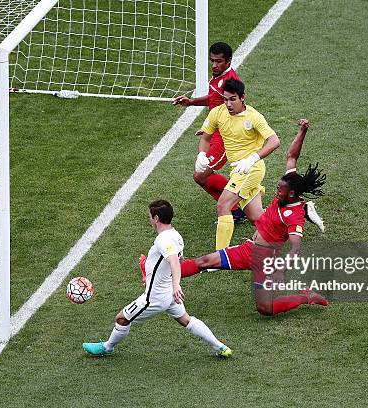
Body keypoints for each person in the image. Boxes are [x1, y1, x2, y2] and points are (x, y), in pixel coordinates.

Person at [173, 119, 329, 316]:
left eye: (280, 190)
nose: (276, 191)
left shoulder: (294, 215)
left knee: (265, 309)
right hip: (249, 248)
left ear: (291, 194)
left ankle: (306, 297)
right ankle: (156, 273)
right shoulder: (291, 184)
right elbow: (291, 156)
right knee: (205, 261)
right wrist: (302, 132)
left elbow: (296, 247)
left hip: (265, 260)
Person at [83, 200, 232, 358]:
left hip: (155, 298)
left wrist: (176, 285)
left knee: (121, 319)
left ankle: (107, 348)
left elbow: (174, 261)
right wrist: (150, 274)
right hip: (167, 293)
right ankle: (220, 347)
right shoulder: (176, 236)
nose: (149, 220)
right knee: (186, 320)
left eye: (149, 216)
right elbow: (177, 262)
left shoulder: (163, 240)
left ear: (156, 218)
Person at [197, 78, 281, 250]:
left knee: (223, 205)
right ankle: (299, 211)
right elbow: (205, 137)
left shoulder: (254, 117)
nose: (228, 103)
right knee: (257, 218)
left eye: (232, 99)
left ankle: (220, 256)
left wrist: (252, 159)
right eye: (225, 99)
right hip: (236, 170)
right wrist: (201, 154)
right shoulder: (217, 113)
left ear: (243, 97)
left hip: (251, 169)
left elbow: (274, 141)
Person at [173, 42, 246, 223]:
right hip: (215, 132)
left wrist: (212, 126)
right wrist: (191, 102)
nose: (214, 65)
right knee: (200, 176)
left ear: (228, 61)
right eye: (212, 61)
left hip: (225, 137)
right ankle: (236, 209)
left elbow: (236, 109)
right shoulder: (218, 78)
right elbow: (214, 100)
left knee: (200, 175)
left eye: (219, 61)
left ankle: (244, 197)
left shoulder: (230, 82)